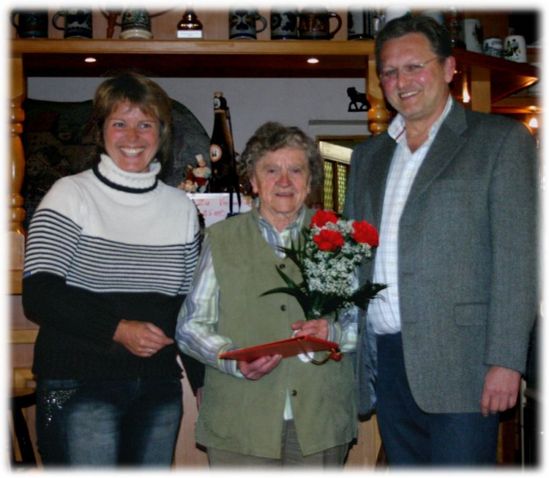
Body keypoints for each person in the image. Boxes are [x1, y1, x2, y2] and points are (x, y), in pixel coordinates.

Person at [344, 15, 538, 466]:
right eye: (389, 72)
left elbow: (518, 260)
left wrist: (507, 360)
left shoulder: (499, 142)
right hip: (387, 360)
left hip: (465, 363)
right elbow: (354, 260)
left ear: (450, 68)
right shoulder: (368, 157)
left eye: (415, 66)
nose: (401, 81)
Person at [22, 72, 204, 466]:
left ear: (162, 132)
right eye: (120, 123)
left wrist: (203, 384)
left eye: (145, 124)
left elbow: (188, 309)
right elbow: (39, 294)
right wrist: (118, 329)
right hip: (76, 382)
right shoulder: (70, 194)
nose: (132, 136)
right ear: (101, 129)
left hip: (157, 386)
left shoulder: (182, 209)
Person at [176, 122, 357, 467]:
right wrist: (231, 359)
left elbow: (362, 322)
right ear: (254, 181)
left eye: (296, 170)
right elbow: (190, 326)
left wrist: (332, 333)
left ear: (310, 181)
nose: (284, 181)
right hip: (240, 421)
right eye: (271, 170)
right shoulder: (221, 239)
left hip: (320, 420)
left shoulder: (338, 238)